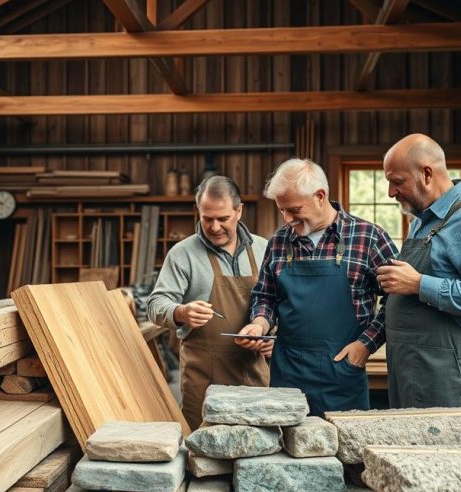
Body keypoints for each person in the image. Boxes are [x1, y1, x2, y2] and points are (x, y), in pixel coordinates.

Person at [237, 159, 397, 415]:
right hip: (287, 373)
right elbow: (265, 296)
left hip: (341, 373)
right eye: (281, 211)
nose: (287, 219)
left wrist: (366, 344)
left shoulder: (368, 237)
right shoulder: (279, 241)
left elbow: (397, 299)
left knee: (346, 452)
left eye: (294, 209)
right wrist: (259, 324)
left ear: (320, 196)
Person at [378, 133, 461, 408]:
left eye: (397, 181)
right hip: (414, 364)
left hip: (449, 367)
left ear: (426, 173)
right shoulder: (422, 220)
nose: (391, 192)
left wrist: (418, 284)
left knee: (451, 448)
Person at [147, 176, 270, 429]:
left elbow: (276, 305)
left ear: (239, 211)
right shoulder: (182, 253)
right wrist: (180, 312)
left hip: (254, 377)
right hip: (203, 381)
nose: (214, 227)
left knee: (256, 456)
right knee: (203, 462)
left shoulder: (264, 250)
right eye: (207, 218)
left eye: (223, 218)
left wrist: (269, 336)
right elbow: (155, 304)